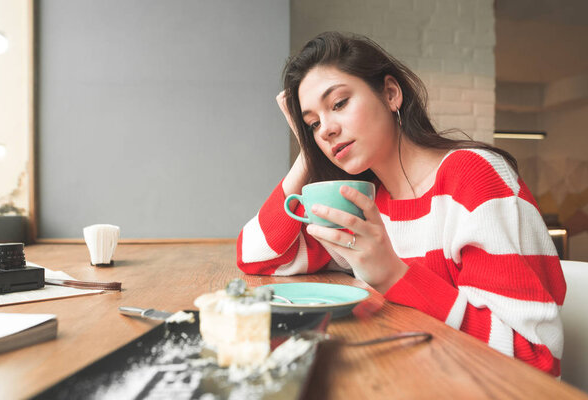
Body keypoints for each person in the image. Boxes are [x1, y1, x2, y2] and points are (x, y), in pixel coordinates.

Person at [236, 31, 566, 377]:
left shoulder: (472, 176)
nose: (326, 131)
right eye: (313, 124)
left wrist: (394, 274)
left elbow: (535, 359)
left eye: (339, 104)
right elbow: (258, 258)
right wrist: (306, 153)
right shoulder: (371, 204)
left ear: (391, 93)